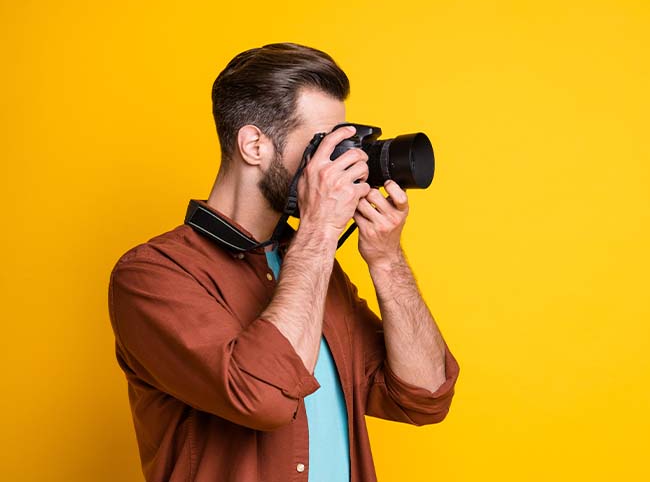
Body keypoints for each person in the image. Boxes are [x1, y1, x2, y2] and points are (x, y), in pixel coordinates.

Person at [107, 42, 460, 482]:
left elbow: (424, 395)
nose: (338, 163)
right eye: (323, 145)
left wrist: (387, 261)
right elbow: (262, 398)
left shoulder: (311, 266)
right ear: (254, 145)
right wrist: (316, 233)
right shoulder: (154, 275)